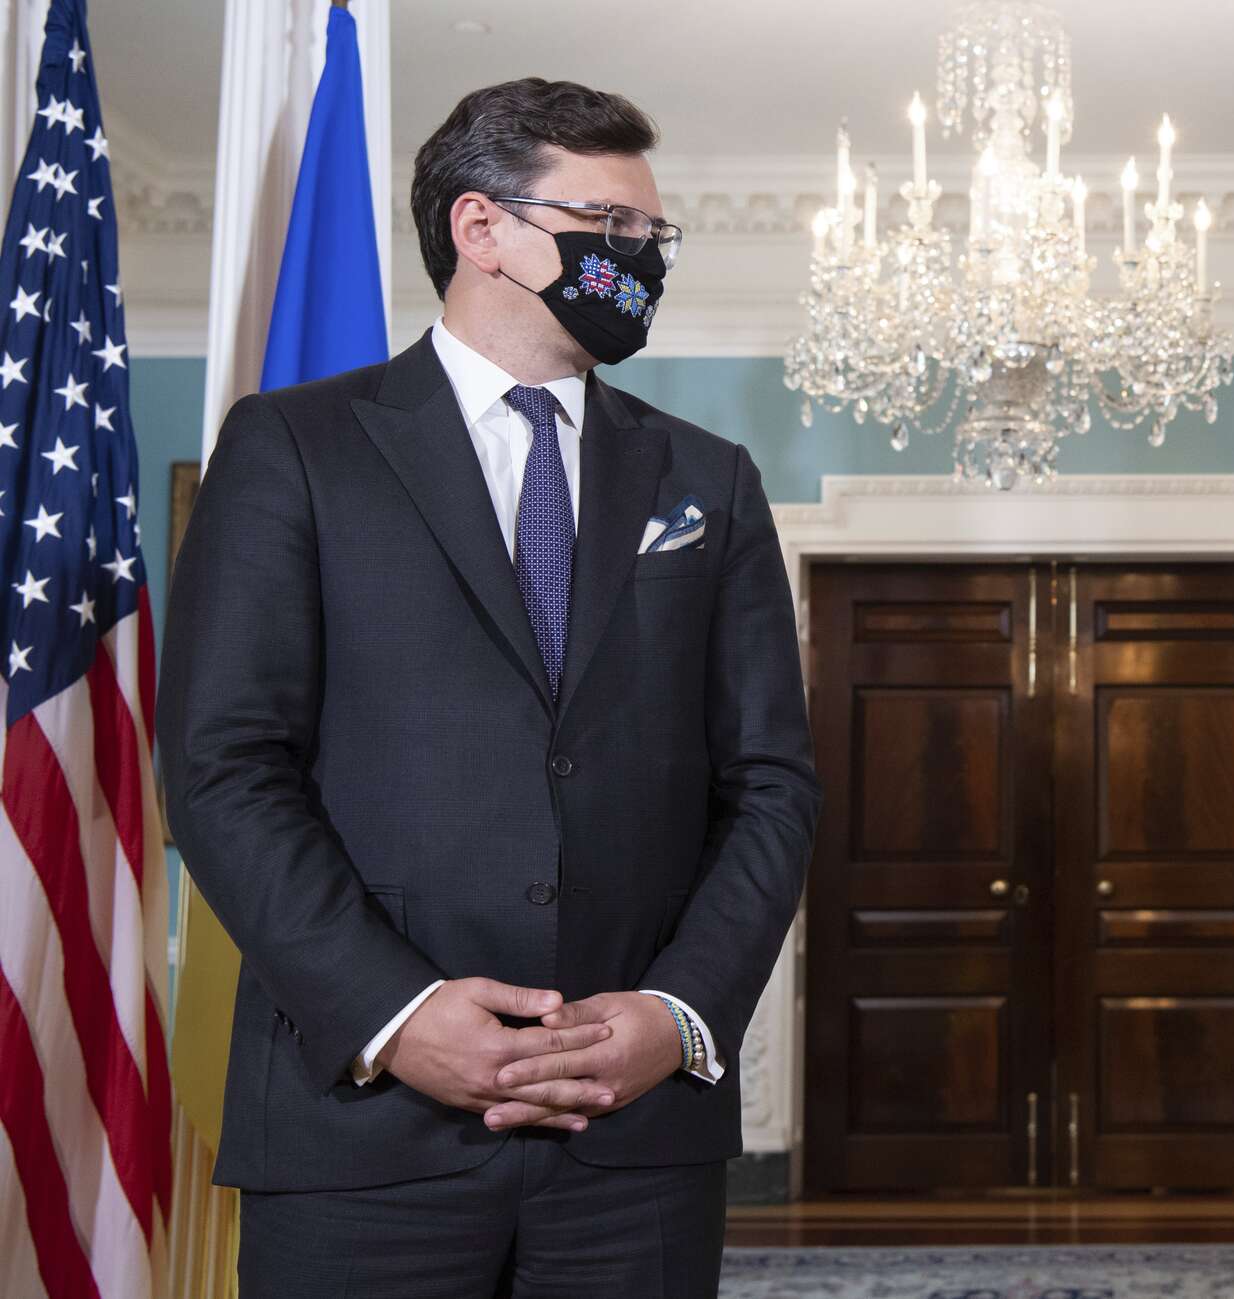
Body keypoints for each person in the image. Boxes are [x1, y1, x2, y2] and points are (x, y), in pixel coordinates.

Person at [160, 78, 820, 1298]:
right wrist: (396, 1014)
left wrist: (678, 1013)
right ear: (481, 228)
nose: (639, 260)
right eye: (609, 226)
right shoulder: (294, 446)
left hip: (634, 1140)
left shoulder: (707, 478)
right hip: (360, 1128)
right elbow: (223, 767)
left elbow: (771, 784)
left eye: (653, 236)